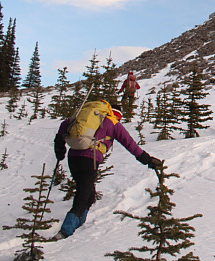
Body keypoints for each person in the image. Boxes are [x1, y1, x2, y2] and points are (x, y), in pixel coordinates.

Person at [53, 100, 161, 239]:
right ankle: (65, 233)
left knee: (89, 195)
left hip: (73, 157)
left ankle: (77, 225)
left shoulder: (86, 116)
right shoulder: (113, 123)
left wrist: (60, 150)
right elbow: (131, 145)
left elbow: (64, 126)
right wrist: (148, 160)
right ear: (117, 115)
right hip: (89, 159)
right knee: (82, 197)